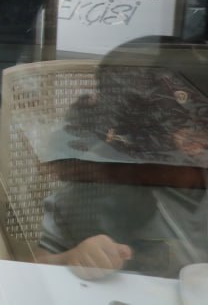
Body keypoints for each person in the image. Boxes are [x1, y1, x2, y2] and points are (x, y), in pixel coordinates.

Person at [32, 36, 207, 279]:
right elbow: (35, 265)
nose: (201, 146)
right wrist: (73, 258)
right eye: (196, 133)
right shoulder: (94, 188)